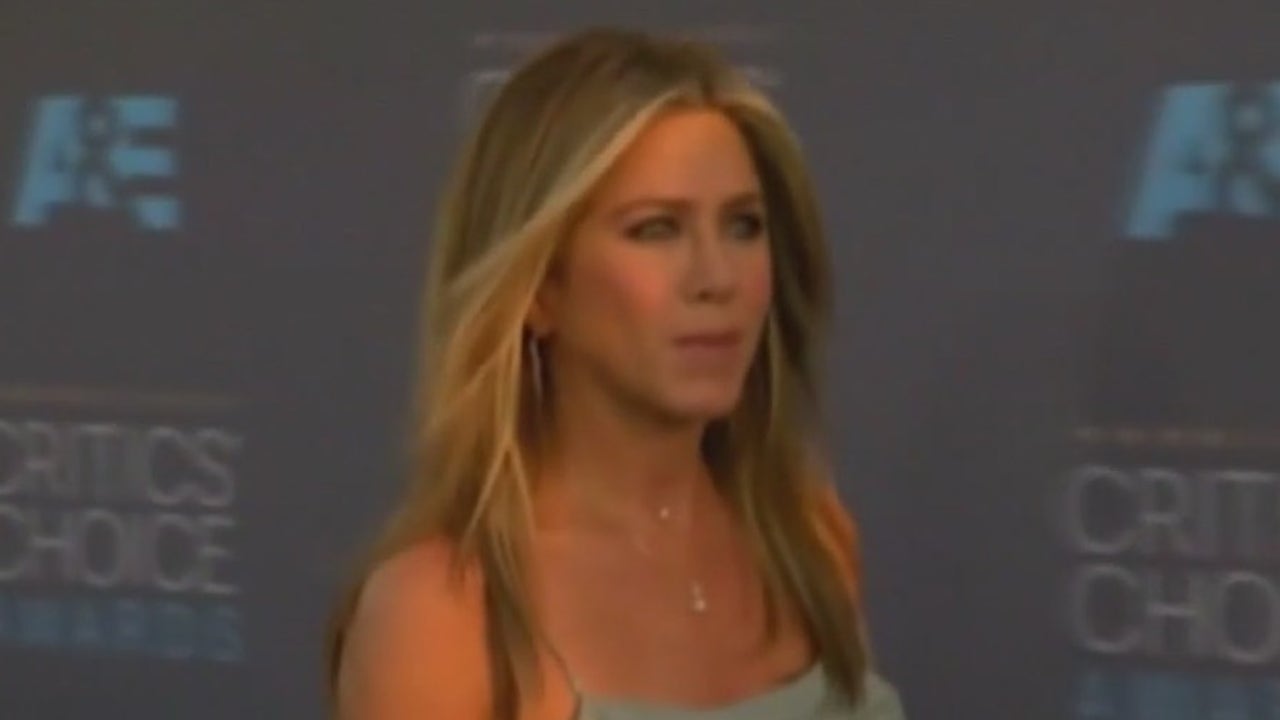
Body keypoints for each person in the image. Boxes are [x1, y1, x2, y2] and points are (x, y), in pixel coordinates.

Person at [327, 26, 907, 720]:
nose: (716, 277)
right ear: (540, 288)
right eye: (656, 229)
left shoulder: (807, 537)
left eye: (743, 226)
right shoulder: (439, 618)